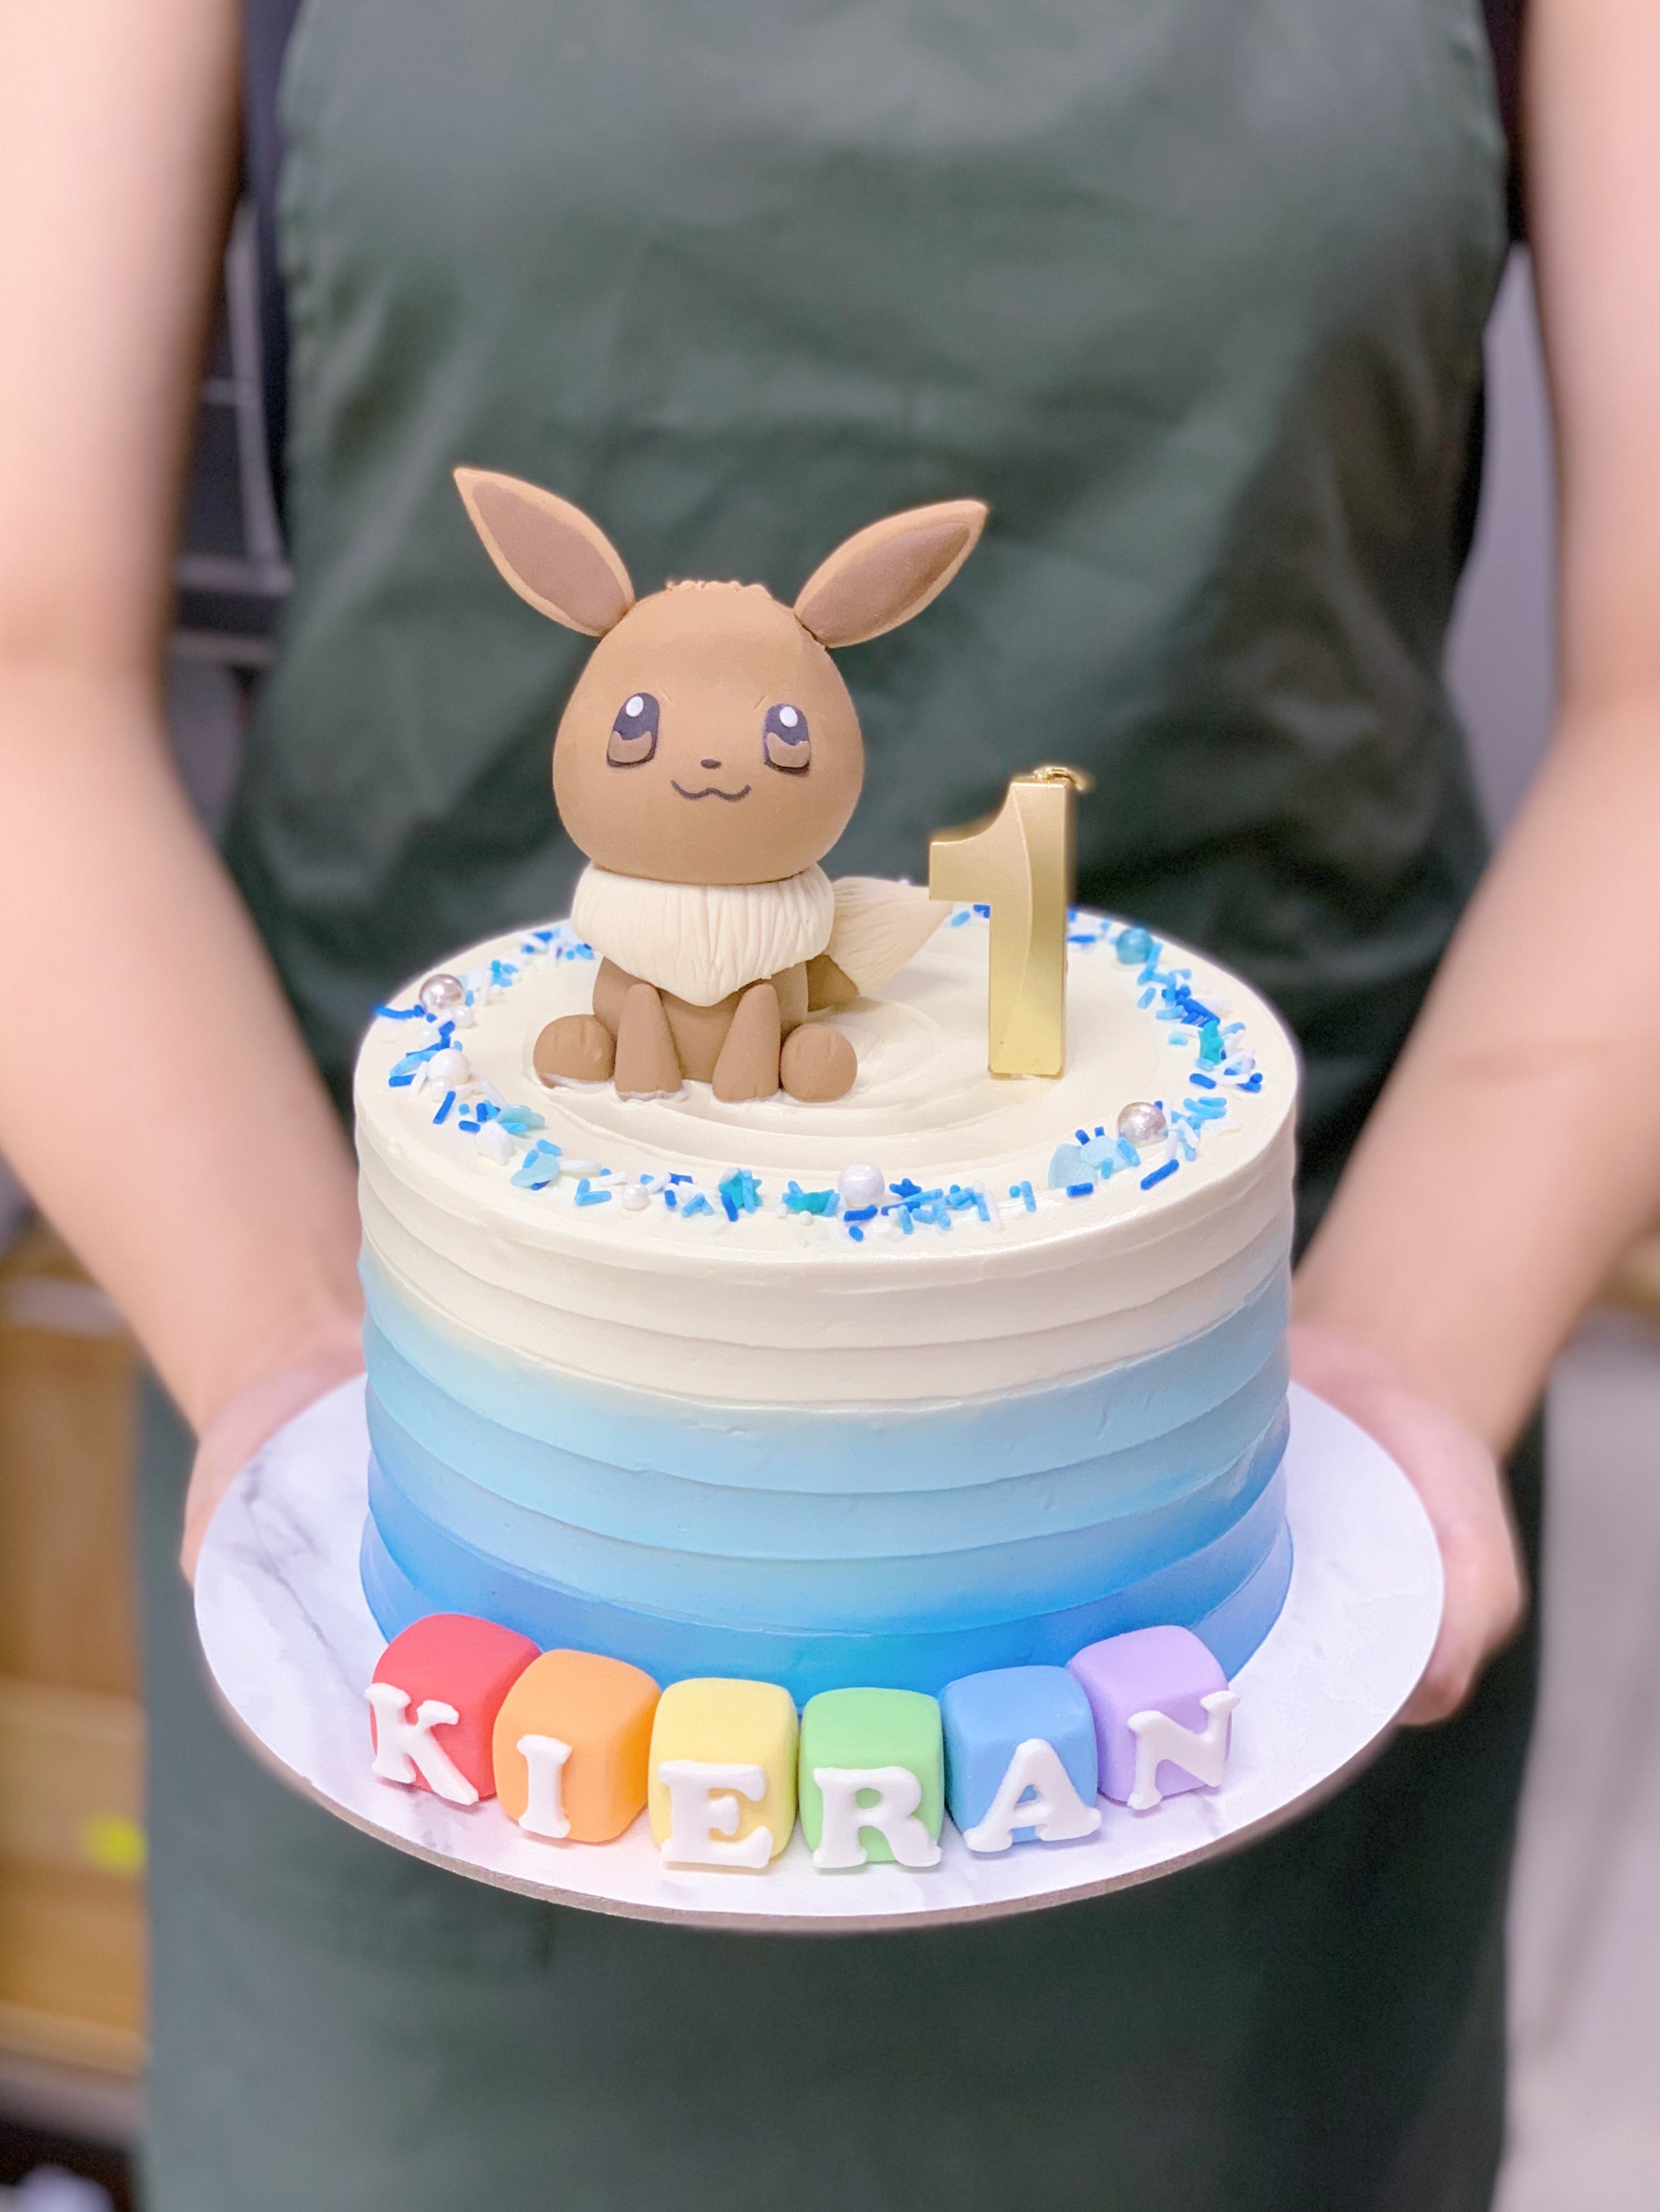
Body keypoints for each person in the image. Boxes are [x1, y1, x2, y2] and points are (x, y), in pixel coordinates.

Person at [1, 0, 1655, 2202]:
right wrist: (328, 1372)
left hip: (1227, 1497)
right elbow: (19, 666)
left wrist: (1393, 1373)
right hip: (444, 1517)